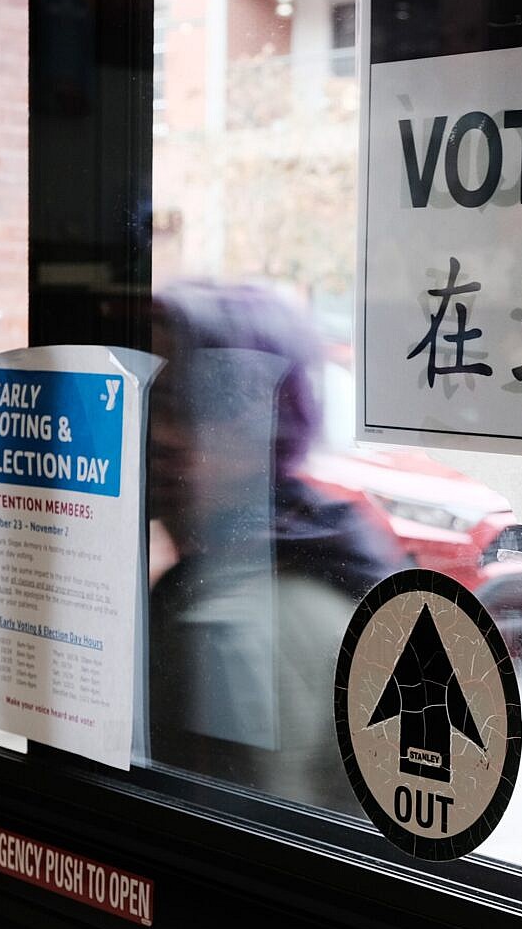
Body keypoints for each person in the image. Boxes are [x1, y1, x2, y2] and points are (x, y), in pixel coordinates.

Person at [144, 283, 402, 813]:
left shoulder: (225, 627)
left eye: (181, 404)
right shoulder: (324, 553)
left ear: (265, 424)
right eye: (144, 399)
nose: (154, 432)